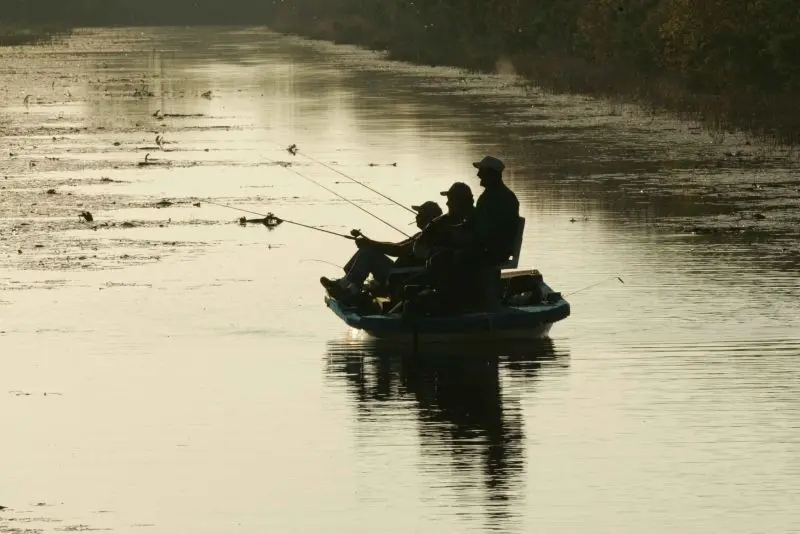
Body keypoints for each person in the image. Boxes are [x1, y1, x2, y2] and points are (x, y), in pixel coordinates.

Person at [320, 200, 443, 303]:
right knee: (368, 250)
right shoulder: (422, 234)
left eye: (420, 214)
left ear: (430, 218)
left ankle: (347, 288)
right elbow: (397, 245)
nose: (416, 216)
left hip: (404, 276)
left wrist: (370, 244)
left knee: (368, 253)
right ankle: (346, 284)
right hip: (400, 272)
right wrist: (370, 242)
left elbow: (398, 250)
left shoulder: (430, 236)